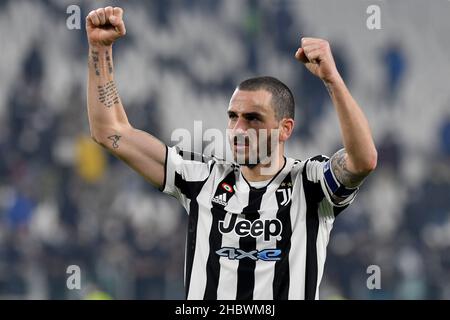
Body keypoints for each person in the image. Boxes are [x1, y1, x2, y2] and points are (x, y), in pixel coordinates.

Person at [85, 7, 377, 300]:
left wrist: (332, 79)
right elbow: (110, 132)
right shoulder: (202, 177)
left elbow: (363, 160)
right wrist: (100, 49)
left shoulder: (310, 184)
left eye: (253, 118)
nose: (238, 128)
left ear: (285, 129)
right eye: (233, 116)